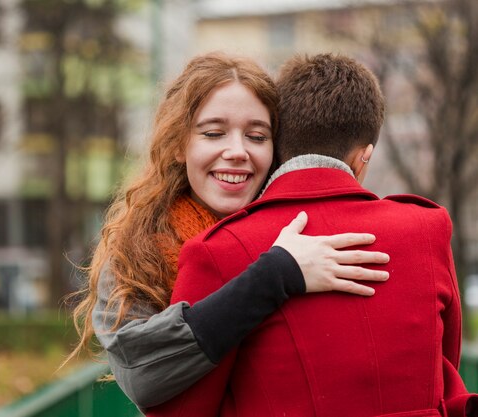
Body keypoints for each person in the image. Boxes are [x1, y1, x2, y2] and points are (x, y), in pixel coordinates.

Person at [147, 53, 477, 417]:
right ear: (363, 157)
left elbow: (180, 410)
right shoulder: (426, 228)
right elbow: (445, 368)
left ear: (278, 143)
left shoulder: (216, 250)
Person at [68, 52, 390, 411]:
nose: (237, 151)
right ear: (178, 145)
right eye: (213, 133)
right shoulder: (135, 250)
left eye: (256, 136)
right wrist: (275, 276)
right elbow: (142, 374)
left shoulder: (307, 234)